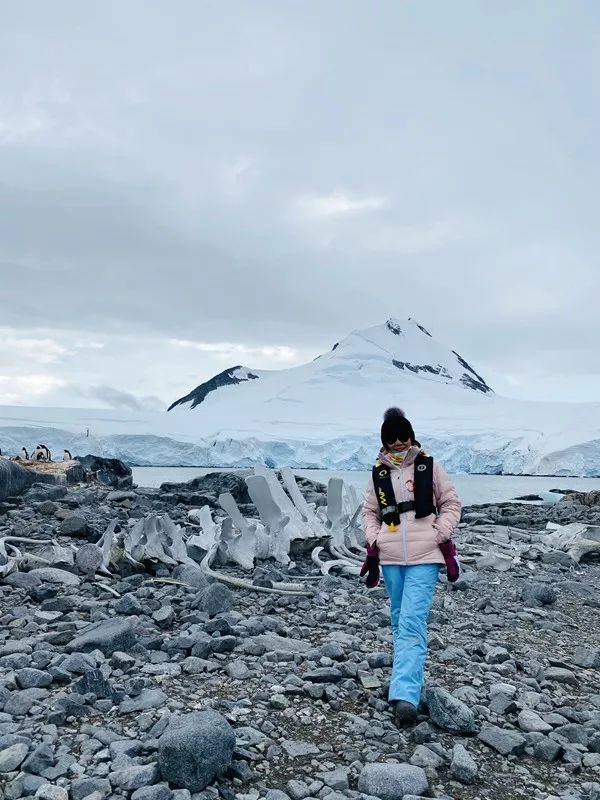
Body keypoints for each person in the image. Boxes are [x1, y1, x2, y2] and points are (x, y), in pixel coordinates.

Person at [361, 407, 461, 725]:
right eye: (393, 439)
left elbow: (451, 503)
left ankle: (404, 694)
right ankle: (405, 677)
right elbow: (369, 512)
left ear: (412, 435)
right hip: (390, 556)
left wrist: (441, 532)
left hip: (425, 556)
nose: (400, 443)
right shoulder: (379, 473)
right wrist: (374, 537)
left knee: (412, 622)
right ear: (385, 442)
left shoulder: (428, 467)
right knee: (398, 620)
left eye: (404, 436)